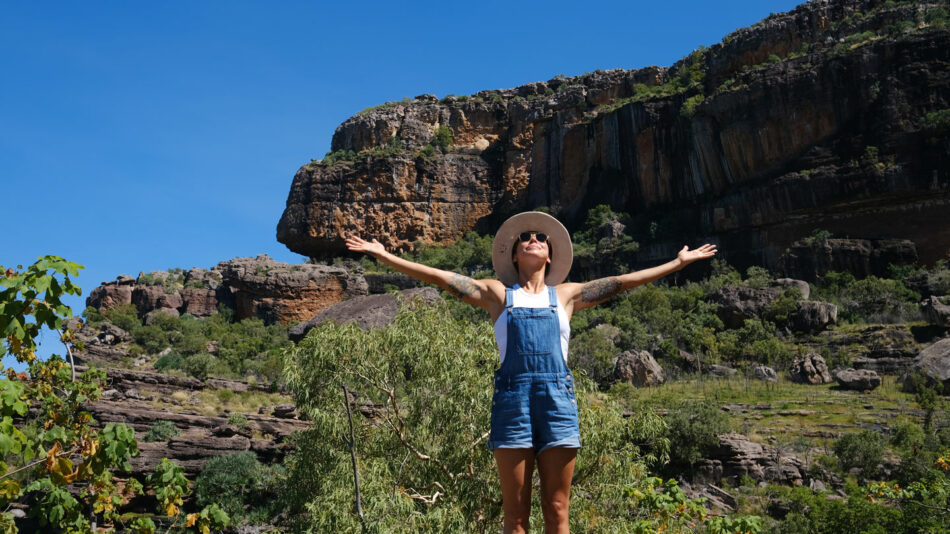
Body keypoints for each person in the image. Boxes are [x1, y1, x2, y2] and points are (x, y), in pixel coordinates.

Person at [345, 211, 717, 534]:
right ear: (514, 252)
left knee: (557, 511)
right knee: (515, 515)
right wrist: (385, 256)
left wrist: (677, 264)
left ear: (551, 253)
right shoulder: (497, 294)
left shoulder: (568, 295)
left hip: (558, 403)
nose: (534, 240)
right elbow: (442, 278)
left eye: (541, 238)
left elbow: (622, 282)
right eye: (525, 238)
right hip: (512, 405)